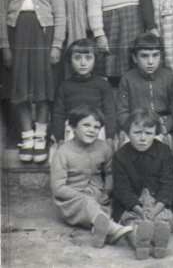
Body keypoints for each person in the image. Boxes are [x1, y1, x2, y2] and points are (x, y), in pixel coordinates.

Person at [0, 0, 65, 163]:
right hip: (17, 37)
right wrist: (5, 47)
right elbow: (1, 14)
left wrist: (56, 45)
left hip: (43, 39)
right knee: (20, 90)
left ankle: (41, 136)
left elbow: (60, 14)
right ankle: (26, 137)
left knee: (42, 90)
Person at [50, 105, 132, 248]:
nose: (91, 130)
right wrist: (83, 197)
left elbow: (110, 172)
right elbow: (58, 188)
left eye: (96, 127)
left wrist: (107, 191)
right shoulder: (63, 153)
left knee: (112, 207)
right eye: (86, 125)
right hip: (71, 200)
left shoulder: (104, 147)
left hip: (97, 194)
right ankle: (113, 229)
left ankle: (103, 230)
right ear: (73, 127)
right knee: (89, 204)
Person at [112, 108, 173, 259]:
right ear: (128, 133)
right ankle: (139, 243)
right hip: (132, 204)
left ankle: (159, 241)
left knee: (164, 219)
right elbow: (122, 189)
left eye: (148, 133)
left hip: (158, 202)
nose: (142, 138)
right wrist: (139, 209)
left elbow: (168, 184)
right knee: (130, 222)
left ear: (155, 134)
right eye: (137, 133)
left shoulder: (164, 151)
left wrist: (155, 210)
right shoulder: (120, 156)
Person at [50, 39, 116, 148]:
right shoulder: (64, 86)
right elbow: (58, 114)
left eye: (88, 58)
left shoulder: (103, 85)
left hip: (96, 127)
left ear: (95, 60)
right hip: (73, 128)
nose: (83, 63)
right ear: (70, 60)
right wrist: (60, 139)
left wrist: (110, 137)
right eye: (77, 58)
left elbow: (110, 113)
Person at [117, 33, 173, 147]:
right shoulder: (127, 79)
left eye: (155, 55)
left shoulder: (169, 77)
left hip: (163, 123)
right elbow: (122, 111)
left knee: (166, 146)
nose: (150, 61)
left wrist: (166, 127)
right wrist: (132, 128)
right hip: (136, 123)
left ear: (161, 56)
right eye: (144, 56)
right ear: (135, 58)